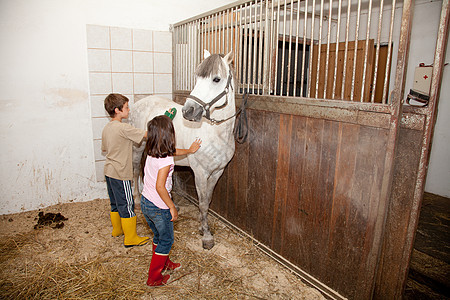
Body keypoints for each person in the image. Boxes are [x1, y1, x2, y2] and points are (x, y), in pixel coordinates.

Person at [140, 115, 201, 286]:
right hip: (159, 207)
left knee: (159, 236)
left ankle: (164, 263)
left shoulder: (153, 151)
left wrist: (189, 150)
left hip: (146, 203)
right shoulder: (165, 160)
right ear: (169, 135)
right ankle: (154, 278)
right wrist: (172, 207)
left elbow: (173, 152)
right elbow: (160, 187)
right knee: (167, 240)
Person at [102, 93, 149, 248]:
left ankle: (117, 230)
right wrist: (165, 120)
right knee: (128, 205)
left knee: (115, 203)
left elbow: (105, 149)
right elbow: (147, 135)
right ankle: (131, 237)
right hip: (121, 173)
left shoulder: (107, 128)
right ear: (117, 110)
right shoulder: (124, 128)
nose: (129, 110)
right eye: (127, 107)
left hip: (109, 171)